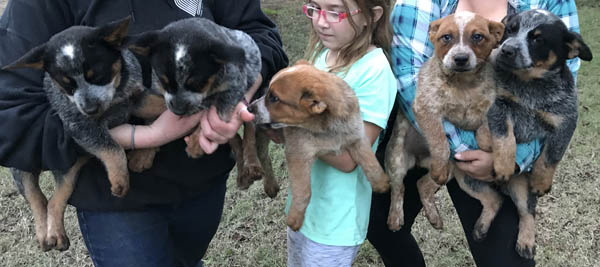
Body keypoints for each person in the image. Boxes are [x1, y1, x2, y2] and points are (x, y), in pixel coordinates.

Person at [0, 0, 288, 266]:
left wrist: (237, 92)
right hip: (118, 206)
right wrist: (145, 136)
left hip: (203, 182)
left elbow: (260, 36)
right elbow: (11, 120)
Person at [368, 0, 583, 266]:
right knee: (378, 224)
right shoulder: (417, 3)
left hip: (501, 136)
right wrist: (460, 150)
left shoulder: (554, 2)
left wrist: (516, 157)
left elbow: (559, 87)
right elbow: (409, 79)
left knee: (507, 262)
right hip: (427, 127)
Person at [284, 0, 396, 266]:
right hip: (304, 211)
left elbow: (348, 159)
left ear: (373, 16)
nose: (321, 21)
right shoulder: (321, 56)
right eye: (315, 8)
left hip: (336, 225)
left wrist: (290, 126)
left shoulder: (375, 71)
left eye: (336, 12)